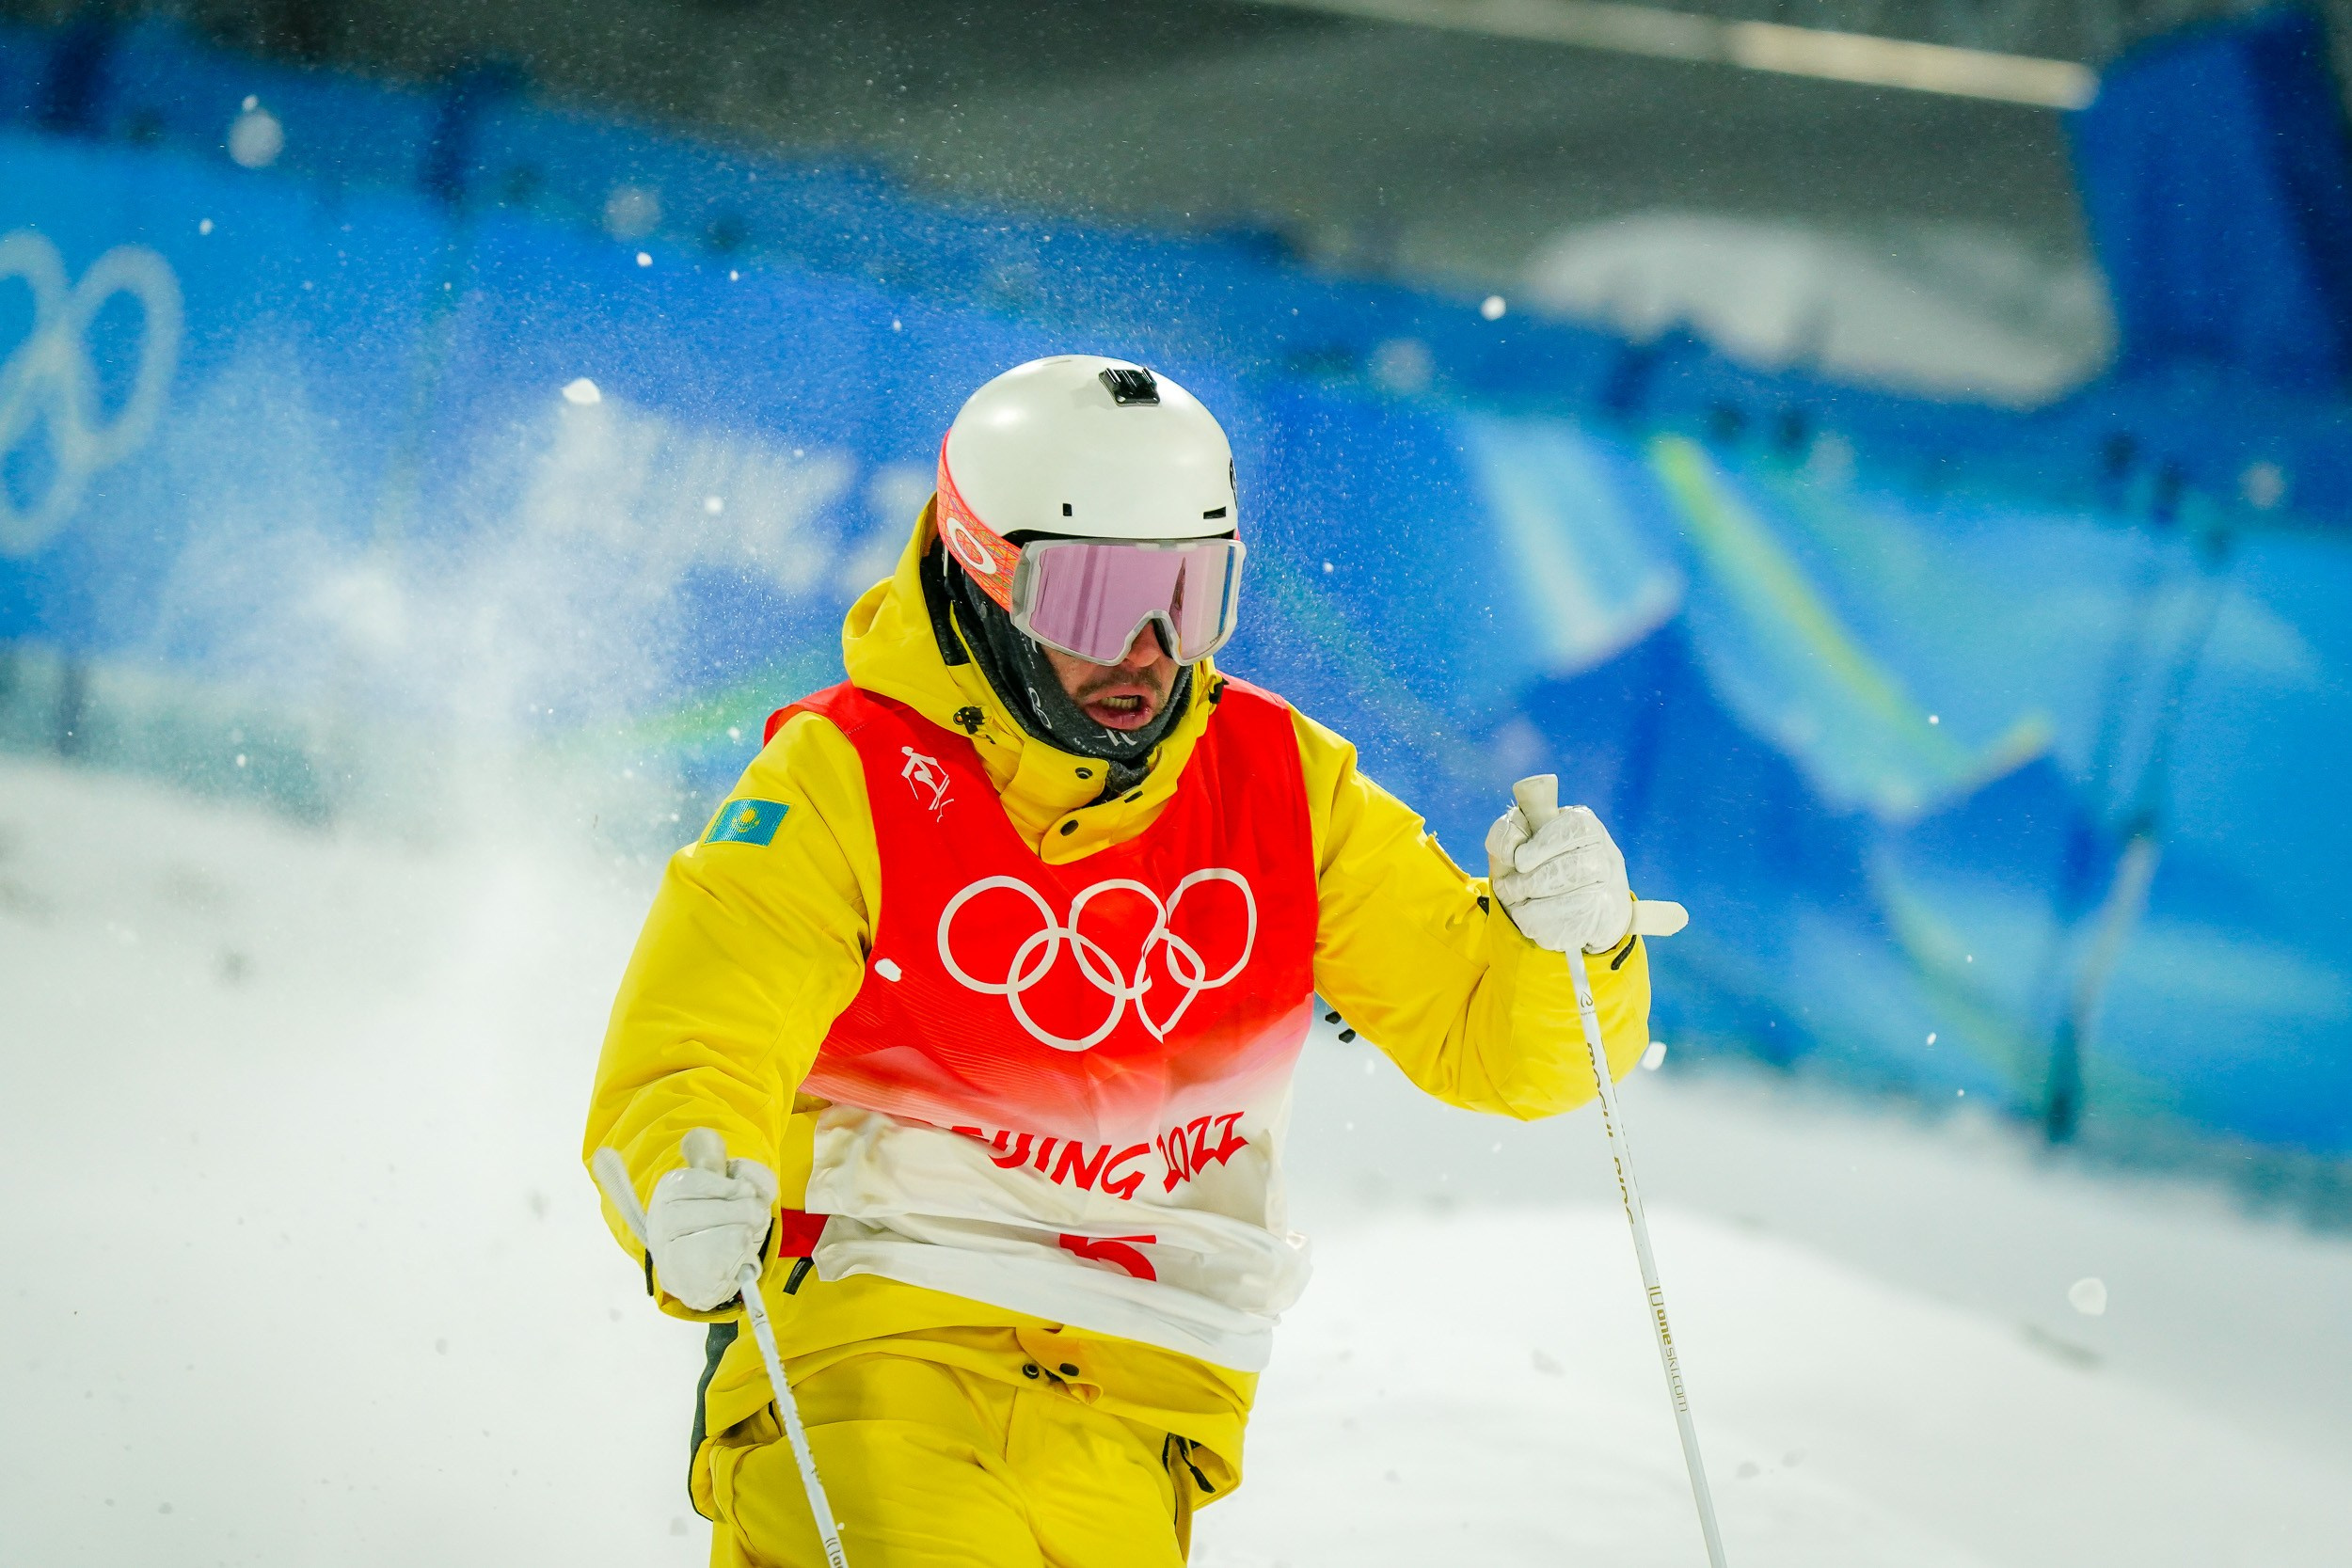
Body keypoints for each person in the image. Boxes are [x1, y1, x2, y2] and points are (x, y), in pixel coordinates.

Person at [583, 355, 1652, 1567]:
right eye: (1098, 603)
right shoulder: (847, 784)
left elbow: (1500, 1049)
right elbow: (697, 1040)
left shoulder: (1280, 784)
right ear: (986, 575)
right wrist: (684, 1187)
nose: (1147, 654)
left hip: (1139, 1401)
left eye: (1190, 601)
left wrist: (1576, 946)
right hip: (876, 1355)